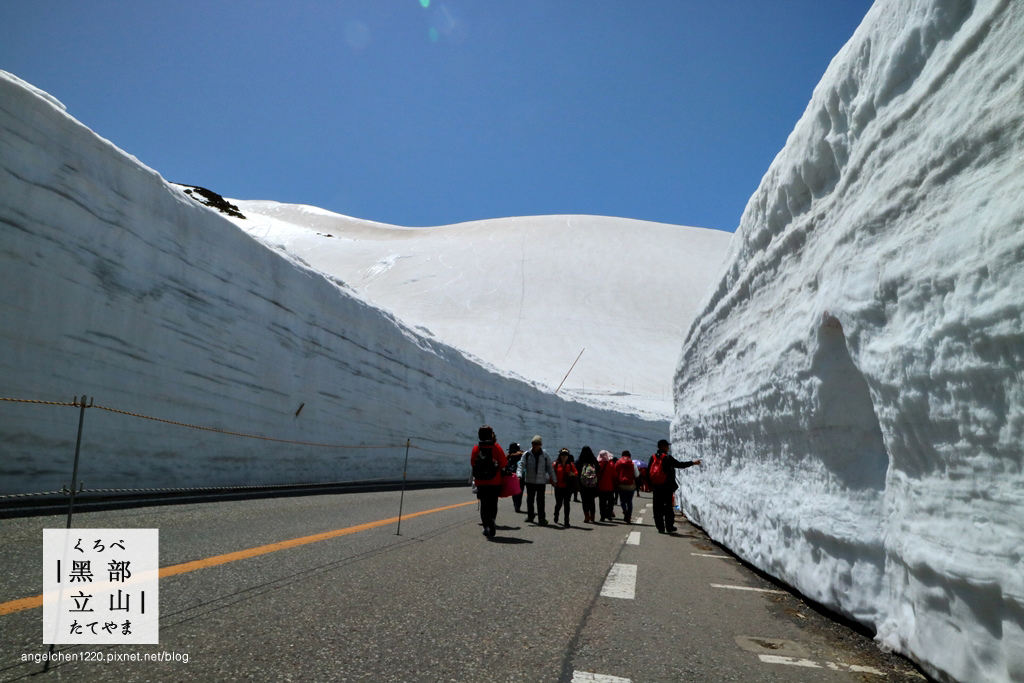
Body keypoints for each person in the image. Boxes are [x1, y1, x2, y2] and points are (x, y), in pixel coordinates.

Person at [648, 439, 701, 533]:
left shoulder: (652, 457)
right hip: (666, 487)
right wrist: (693, 462)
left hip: (656, 486)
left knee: (657, 507)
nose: (668, 448)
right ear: (663, 446)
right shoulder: (667, 457)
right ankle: (669, 526)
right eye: (667, 446)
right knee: (668, 506)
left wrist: (650, 485)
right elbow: (679, 465)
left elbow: (649, 472)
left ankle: (660, 527)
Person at [471, 425, 507, 538]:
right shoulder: (496, 447)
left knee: (484, 504)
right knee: (493, 503)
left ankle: (486, 526)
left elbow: (473, 463)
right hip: (494, 480)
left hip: (481, 481)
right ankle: (492, 519)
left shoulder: (476, 448)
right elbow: (504, 463)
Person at [517, 435, 555, 525]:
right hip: (529, 481)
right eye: (533, 443)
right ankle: (530, 516)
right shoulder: (526, 454)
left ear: (540, 444)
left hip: (541, 482)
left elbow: (550, 468)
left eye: (537, 444)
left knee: (540, 500)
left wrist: (554, 479)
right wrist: (519, 475)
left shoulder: (545, 455)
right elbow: (521, 465)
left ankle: (541, 518)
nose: (535, 445)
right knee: (530, 500)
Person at [552, 448, 578, 527]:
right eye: (563, 454)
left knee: (567, 504)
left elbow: (576, 472)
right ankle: (556, 514)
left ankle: (566, 520)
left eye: (566, 455)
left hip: (567, 487)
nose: (564, 456)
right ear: (560, 455)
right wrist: (552, 483)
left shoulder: (570, 464)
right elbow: (552, 474)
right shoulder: (555, 464)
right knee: (559, 503)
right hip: (558, 487)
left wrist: (573, 474)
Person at [614, 450, 640, 524]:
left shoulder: (618, 462)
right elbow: (637, 475)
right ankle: (629, 517)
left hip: (621, 484)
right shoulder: (632, 463)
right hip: (630, 485)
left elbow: (615, 472)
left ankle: (625, 511)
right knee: (629, 501)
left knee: (622, 501)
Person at [576, 446, 599, 523]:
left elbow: (576, 471)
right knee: (592, 500)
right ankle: (592, 516)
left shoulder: (580, 460)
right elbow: (598, 470)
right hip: (593, 484)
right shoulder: (594, 460)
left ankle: (586, 517)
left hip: (583, 484)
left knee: (584, 501)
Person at [597, 449, 618, 521]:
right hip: (610, 486)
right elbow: (615, 475)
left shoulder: (598, 464)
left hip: (601, 486)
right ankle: (609, 515)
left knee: (602, 502)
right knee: (610, 502)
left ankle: (602, 516)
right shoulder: (611, 464)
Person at [505, 442, 525, 512]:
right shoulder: (522, 455)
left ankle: (516, 505)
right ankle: (517, 505)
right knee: (520, 491)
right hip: (520, 476)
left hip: (511, 475)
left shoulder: (509, 457)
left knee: (514, 491)